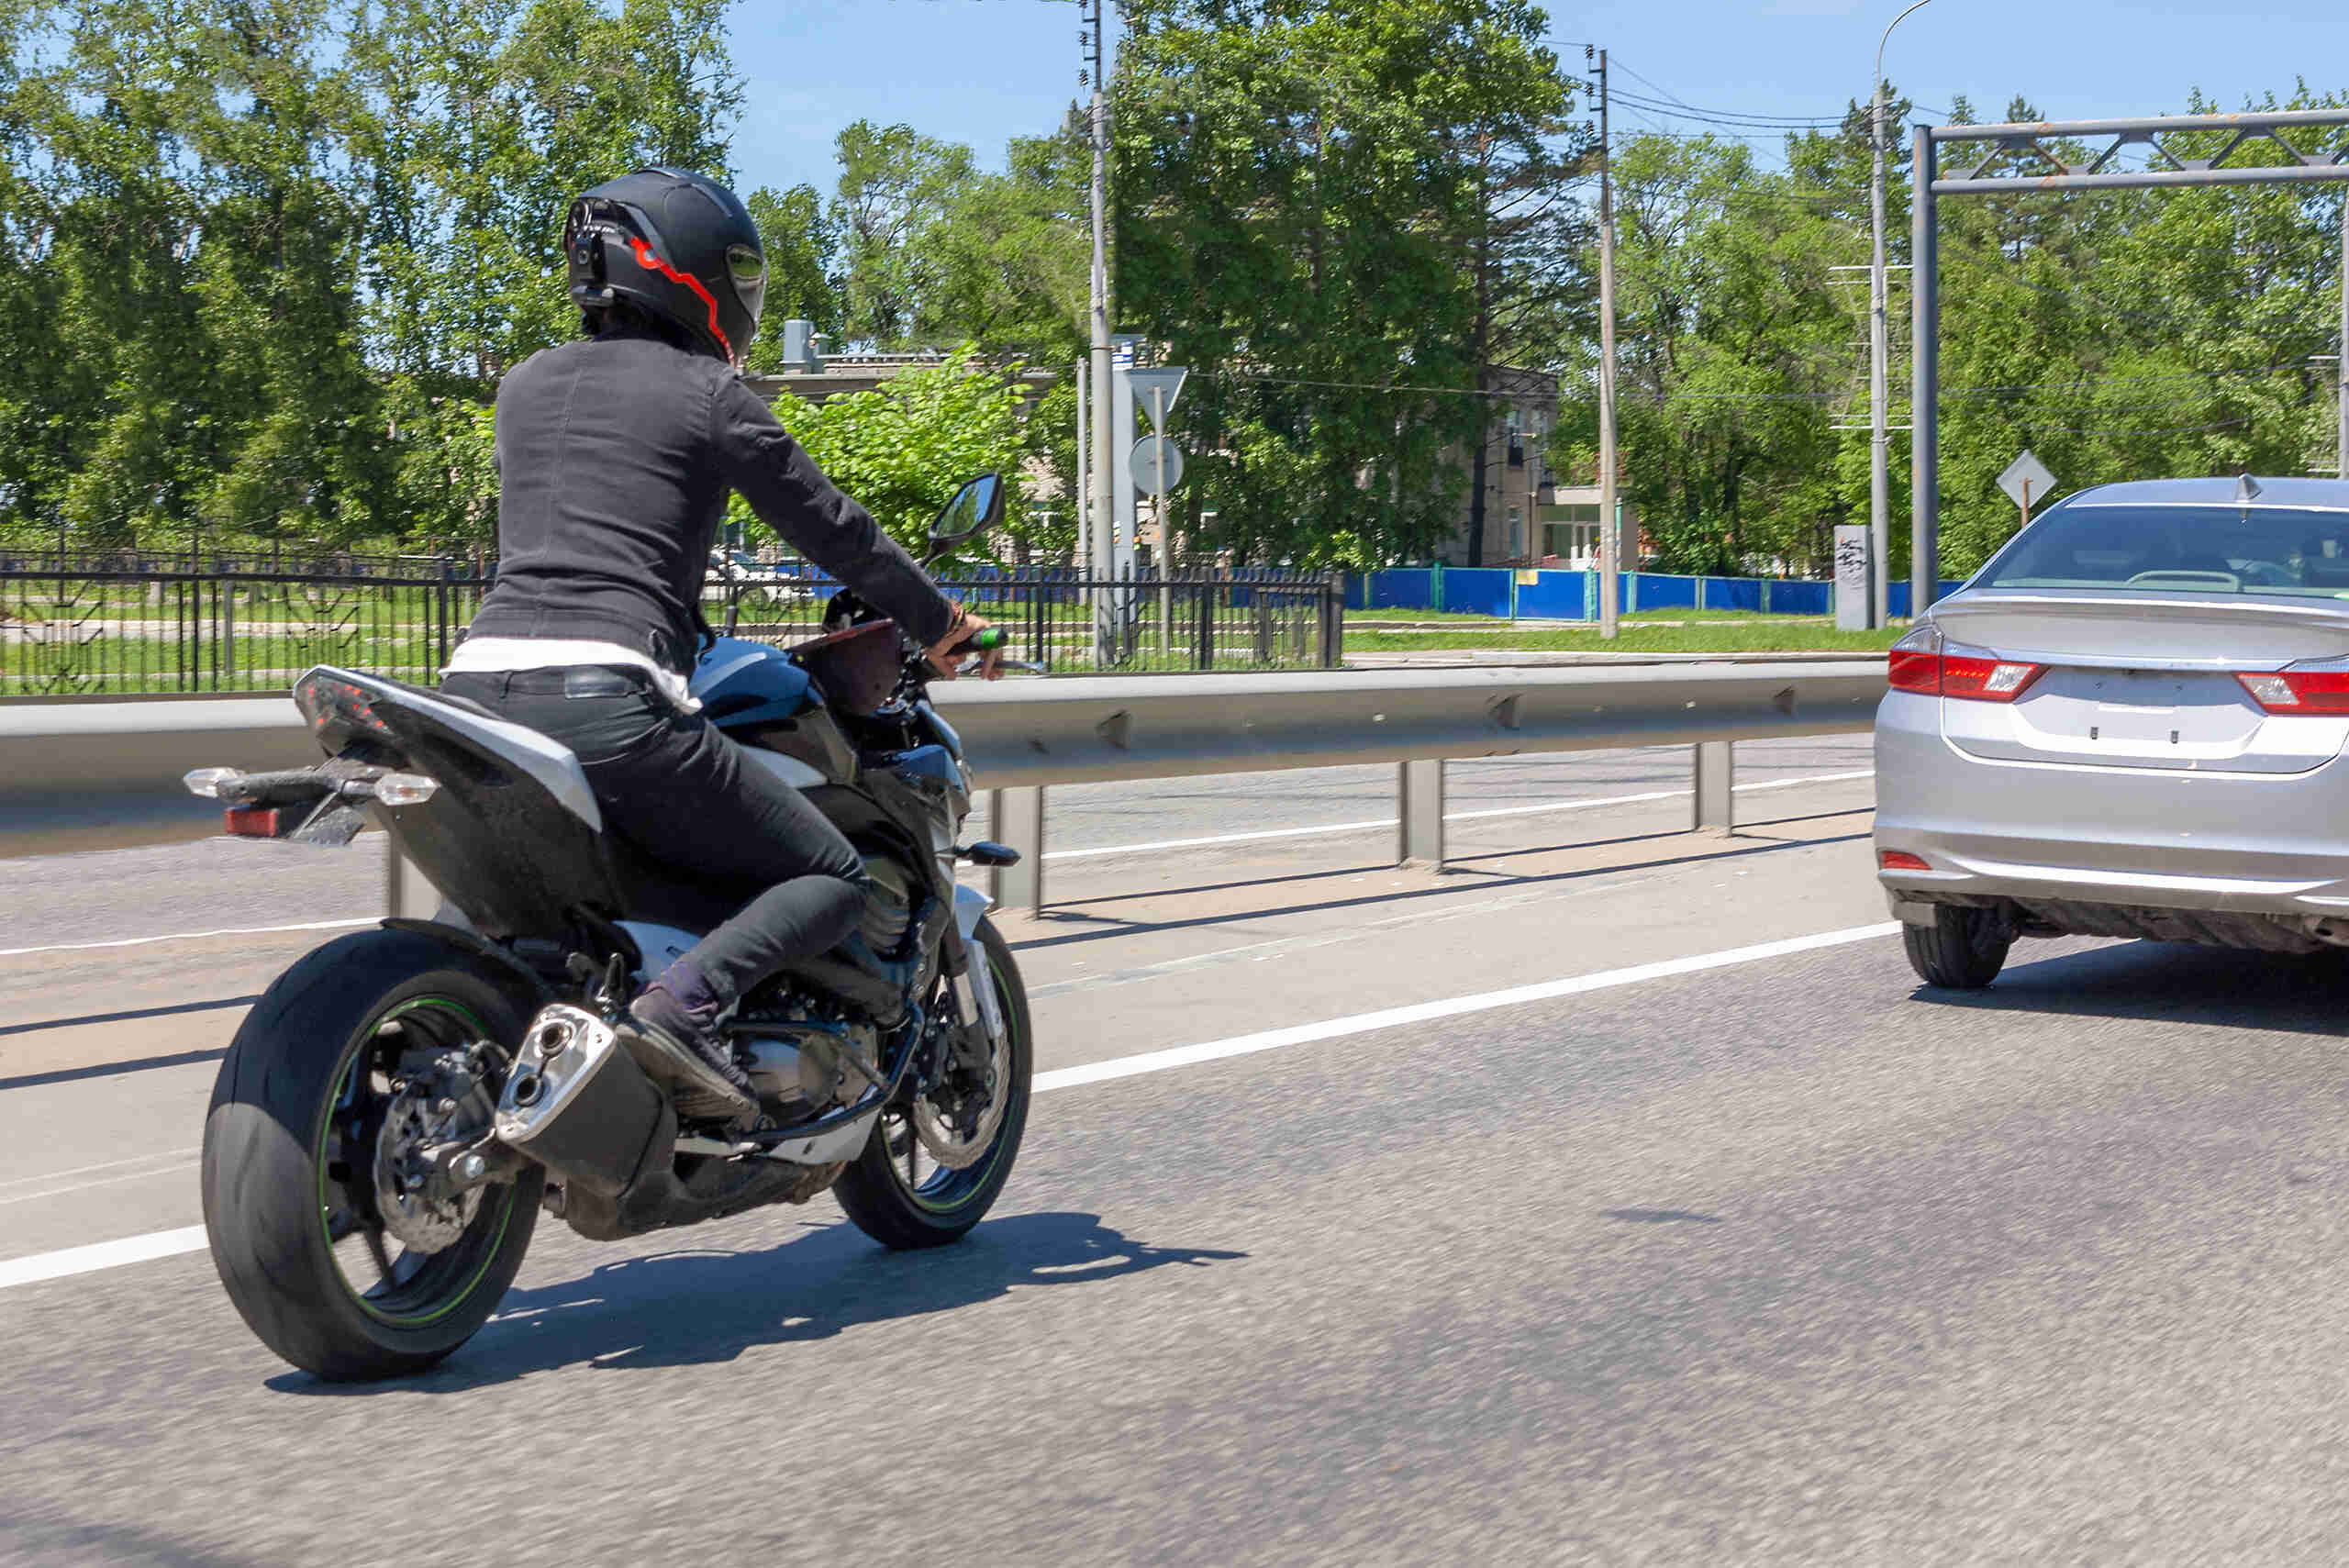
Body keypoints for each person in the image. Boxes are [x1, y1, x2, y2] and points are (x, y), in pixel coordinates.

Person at [440, 166, 1000, 1123]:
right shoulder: (705, 394)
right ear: (690, 269)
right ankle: (681, 1007)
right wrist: (943, 626)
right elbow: (836, 531)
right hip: (606, 700)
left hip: (469, 694)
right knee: (830, 874)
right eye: (736, 269)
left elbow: (594, 540)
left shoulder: (522, 387)